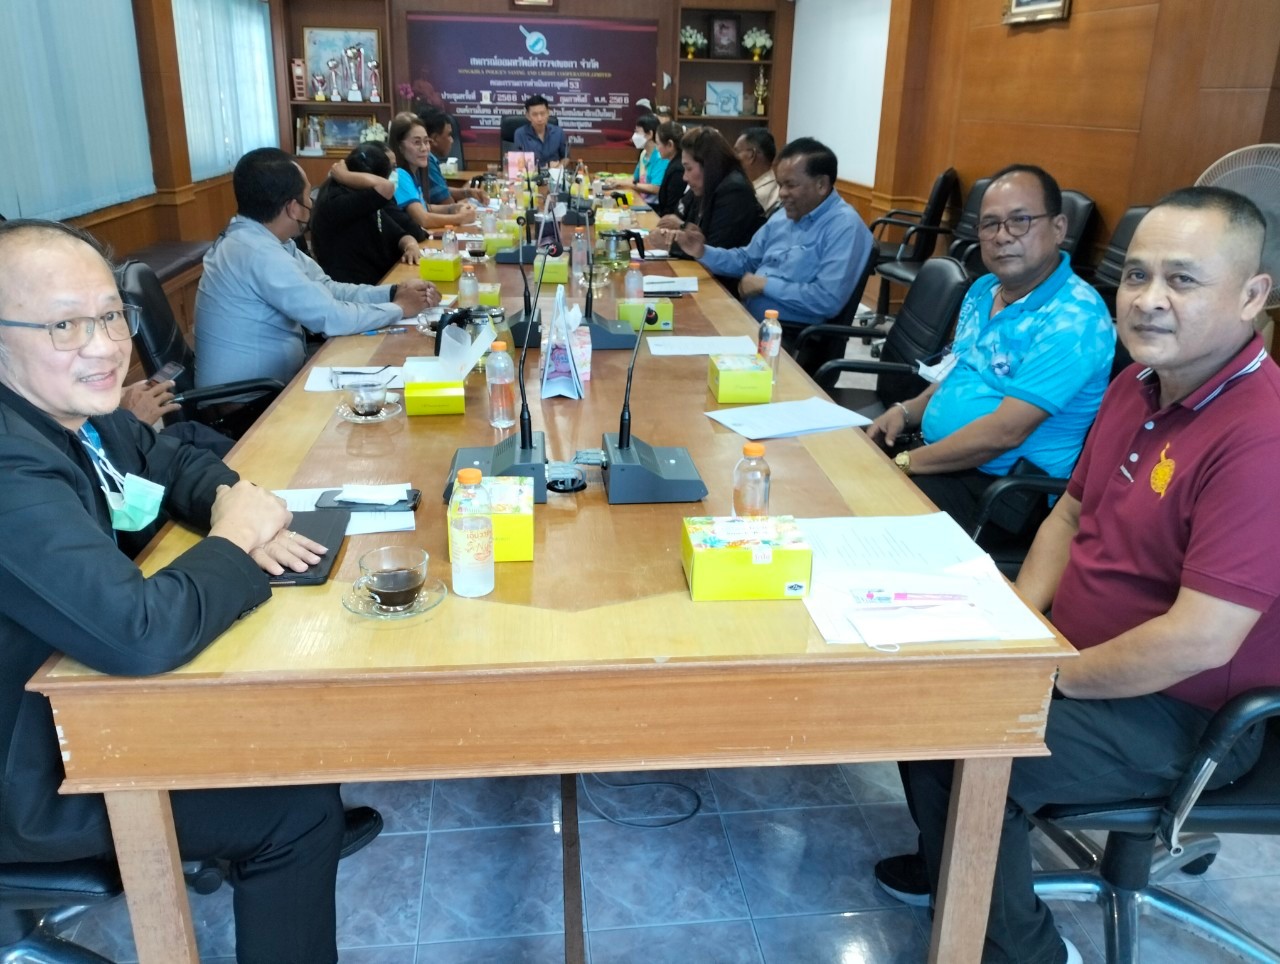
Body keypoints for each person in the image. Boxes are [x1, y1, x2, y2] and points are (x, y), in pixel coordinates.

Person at [881, 186, 1280, 964]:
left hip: (1188, 712)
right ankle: (955, 874)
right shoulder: (1138, 385)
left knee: (970, 741)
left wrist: (1049, 677)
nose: (1150, 300)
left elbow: (1199, 640)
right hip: (1076, 654)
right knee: (925, 688)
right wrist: (1017, 626)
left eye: (1183, 280)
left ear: (1252, 296)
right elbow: (1068, 515)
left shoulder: (1260, 437)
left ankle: (1026, 951)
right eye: (1136, 275)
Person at [0, 219, 383, 964]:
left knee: (282, 705)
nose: (104, 346)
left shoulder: (73, 412)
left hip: (68, 702)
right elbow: (140, 633)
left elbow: (171, 459)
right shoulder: (10, 465)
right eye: (63, 326)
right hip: (31, 770)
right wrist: (235, 539)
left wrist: (231, 499)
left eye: (110, 315)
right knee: (297, 812)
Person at [864, 165, 1116, 532]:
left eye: (1019, 221)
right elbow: (960, 372)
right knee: (839, 461)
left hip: (1000, 492)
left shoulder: (1075, 317)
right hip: (941, 457)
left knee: (863, 511)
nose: (1002, 236)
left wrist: (906, 462)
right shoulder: (983, 289)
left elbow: (1005, 433)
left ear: (1059, 228)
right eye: (990, 224)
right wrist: (906, 411)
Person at [195, 147, 438, 388]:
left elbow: (327, 288)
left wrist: (393, 292)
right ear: (293, 208)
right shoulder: (257, 253)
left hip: (279, 382)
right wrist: (399, 308)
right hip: (250, 401)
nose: (311, 203)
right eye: (307, 196)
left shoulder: (266, 240)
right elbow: (331, 317)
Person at [672, 137, 873, 330]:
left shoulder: (844, 226)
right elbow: (746, 259)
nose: (782, 193)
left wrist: (764, 285)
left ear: (821, 184)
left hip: (789, 335)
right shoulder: (783, 215)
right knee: (681, 317)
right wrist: (702, 251)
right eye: (780, 185)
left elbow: (826, 299)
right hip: (748, 317)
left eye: (791, 185)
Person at [310, 142, 427, 286]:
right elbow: (386, 187)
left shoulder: (364, 199)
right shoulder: (338, 201)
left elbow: (400, 234)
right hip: (354, 288)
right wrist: (345, 175)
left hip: (376, 281)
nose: (391, 178)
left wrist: (410, 245)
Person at [656, 126, 764, 261]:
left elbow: (712, 249)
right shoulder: (704, 186)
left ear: (708, 165)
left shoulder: (734, 191)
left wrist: (669, 243)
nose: (684, 177)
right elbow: (678, 217)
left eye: (689, 169)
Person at [389, 113, 478, 231]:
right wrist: (461, 218)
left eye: (426, 141)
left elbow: (424, 207)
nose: (424, 148)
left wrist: (454, 208)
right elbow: (423, 219)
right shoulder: (400, 175)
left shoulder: (413, 173)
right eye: (417, 142)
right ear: (400, 146)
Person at [419, 108, 489, 208]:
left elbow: (443, 190)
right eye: (449, 135)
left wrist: (468, 192)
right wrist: (466, 204)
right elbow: (449, 205)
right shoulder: (427, 160)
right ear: (434, 139)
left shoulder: (430, 159)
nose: (452, 140)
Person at [606, 113, 667, 204]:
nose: (634, 136)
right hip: (642, 201)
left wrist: (626, 183)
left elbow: (656, 188)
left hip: (654, 206)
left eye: (637, 132)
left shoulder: (660, 156)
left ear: (650, 134)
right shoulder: (643, 153)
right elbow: (635, 178)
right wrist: (617, 181)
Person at [513, 94, 568, 167]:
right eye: (535, 114)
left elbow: (566, 157)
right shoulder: (520, 134)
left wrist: (559, 167)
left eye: (542, 113)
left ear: (548, 113)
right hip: (531, 173)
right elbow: (519, 162)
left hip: (553, 173)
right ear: (528, 116)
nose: (539, 118)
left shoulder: (558, 132)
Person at [734, 127, 779, 214]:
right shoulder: (771, 186)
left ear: (751, 155)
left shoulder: (756, 195)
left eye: (737, 152)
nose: (733, 157)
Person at [652, 120, 687, 217]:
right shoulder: (673, 163)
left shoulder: (678, 170)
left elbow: (672, 207)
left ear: (670, 145)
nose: (657, 148)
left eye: (658, 144)